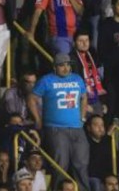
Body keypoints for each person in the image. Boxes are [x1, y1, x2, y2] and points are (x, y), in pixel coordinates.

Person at [29, 53, 90, 191]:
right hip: (55, 128)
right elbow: (31, 99)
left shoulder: (78, 79)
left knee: (82, 164)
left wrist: (83, 116)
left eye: (68, 64)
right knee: (59, 165)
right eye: (62, 65)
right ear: (55, 67)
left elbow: (84, 97)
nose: (65, 68)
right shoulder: (46, 80)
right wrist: (38, 119)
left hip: (77, 128)